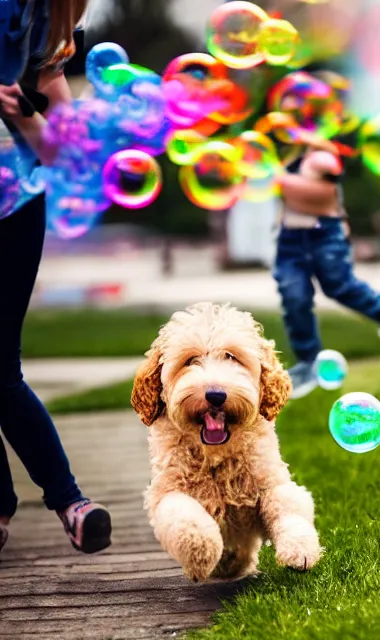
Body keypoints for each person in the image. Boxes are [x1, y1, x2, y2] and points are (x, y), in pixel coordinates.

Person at [0, 0, 112, 554]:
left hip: (14, 208)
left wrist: (21, 112)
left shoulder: (41, 26)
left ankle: (68, 501)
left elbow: (62, 150)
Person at [274, 139, 380, 399]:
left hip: (325, 235)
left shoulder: (324, 155)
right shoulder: (286, 161)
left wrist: (275, 178)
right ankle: (309, 363)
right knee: (294, 297)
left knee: (338, 285)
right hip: (290, 240)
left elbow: (317, 194)